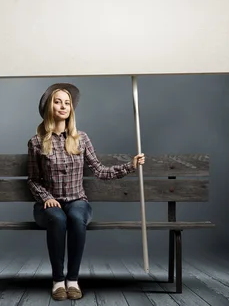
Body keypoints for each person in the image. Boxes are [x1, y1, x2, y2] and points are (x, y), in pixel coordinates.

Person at [27, 83, 145, 301]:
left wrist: (130, 166)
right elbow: (33, 180)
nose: (63, 106)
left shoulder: (81, 138)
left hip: (77, 201)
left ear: (71, 109)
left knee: (75, 216)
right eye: (57, 101)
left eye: (67, 102)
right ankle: (57, 281)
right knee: (57, 218)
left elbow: (100, 170)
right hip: (49, 205)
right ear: (48, 107)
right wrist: (47, 197)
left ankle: (72, 280)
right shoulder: (36, 142)